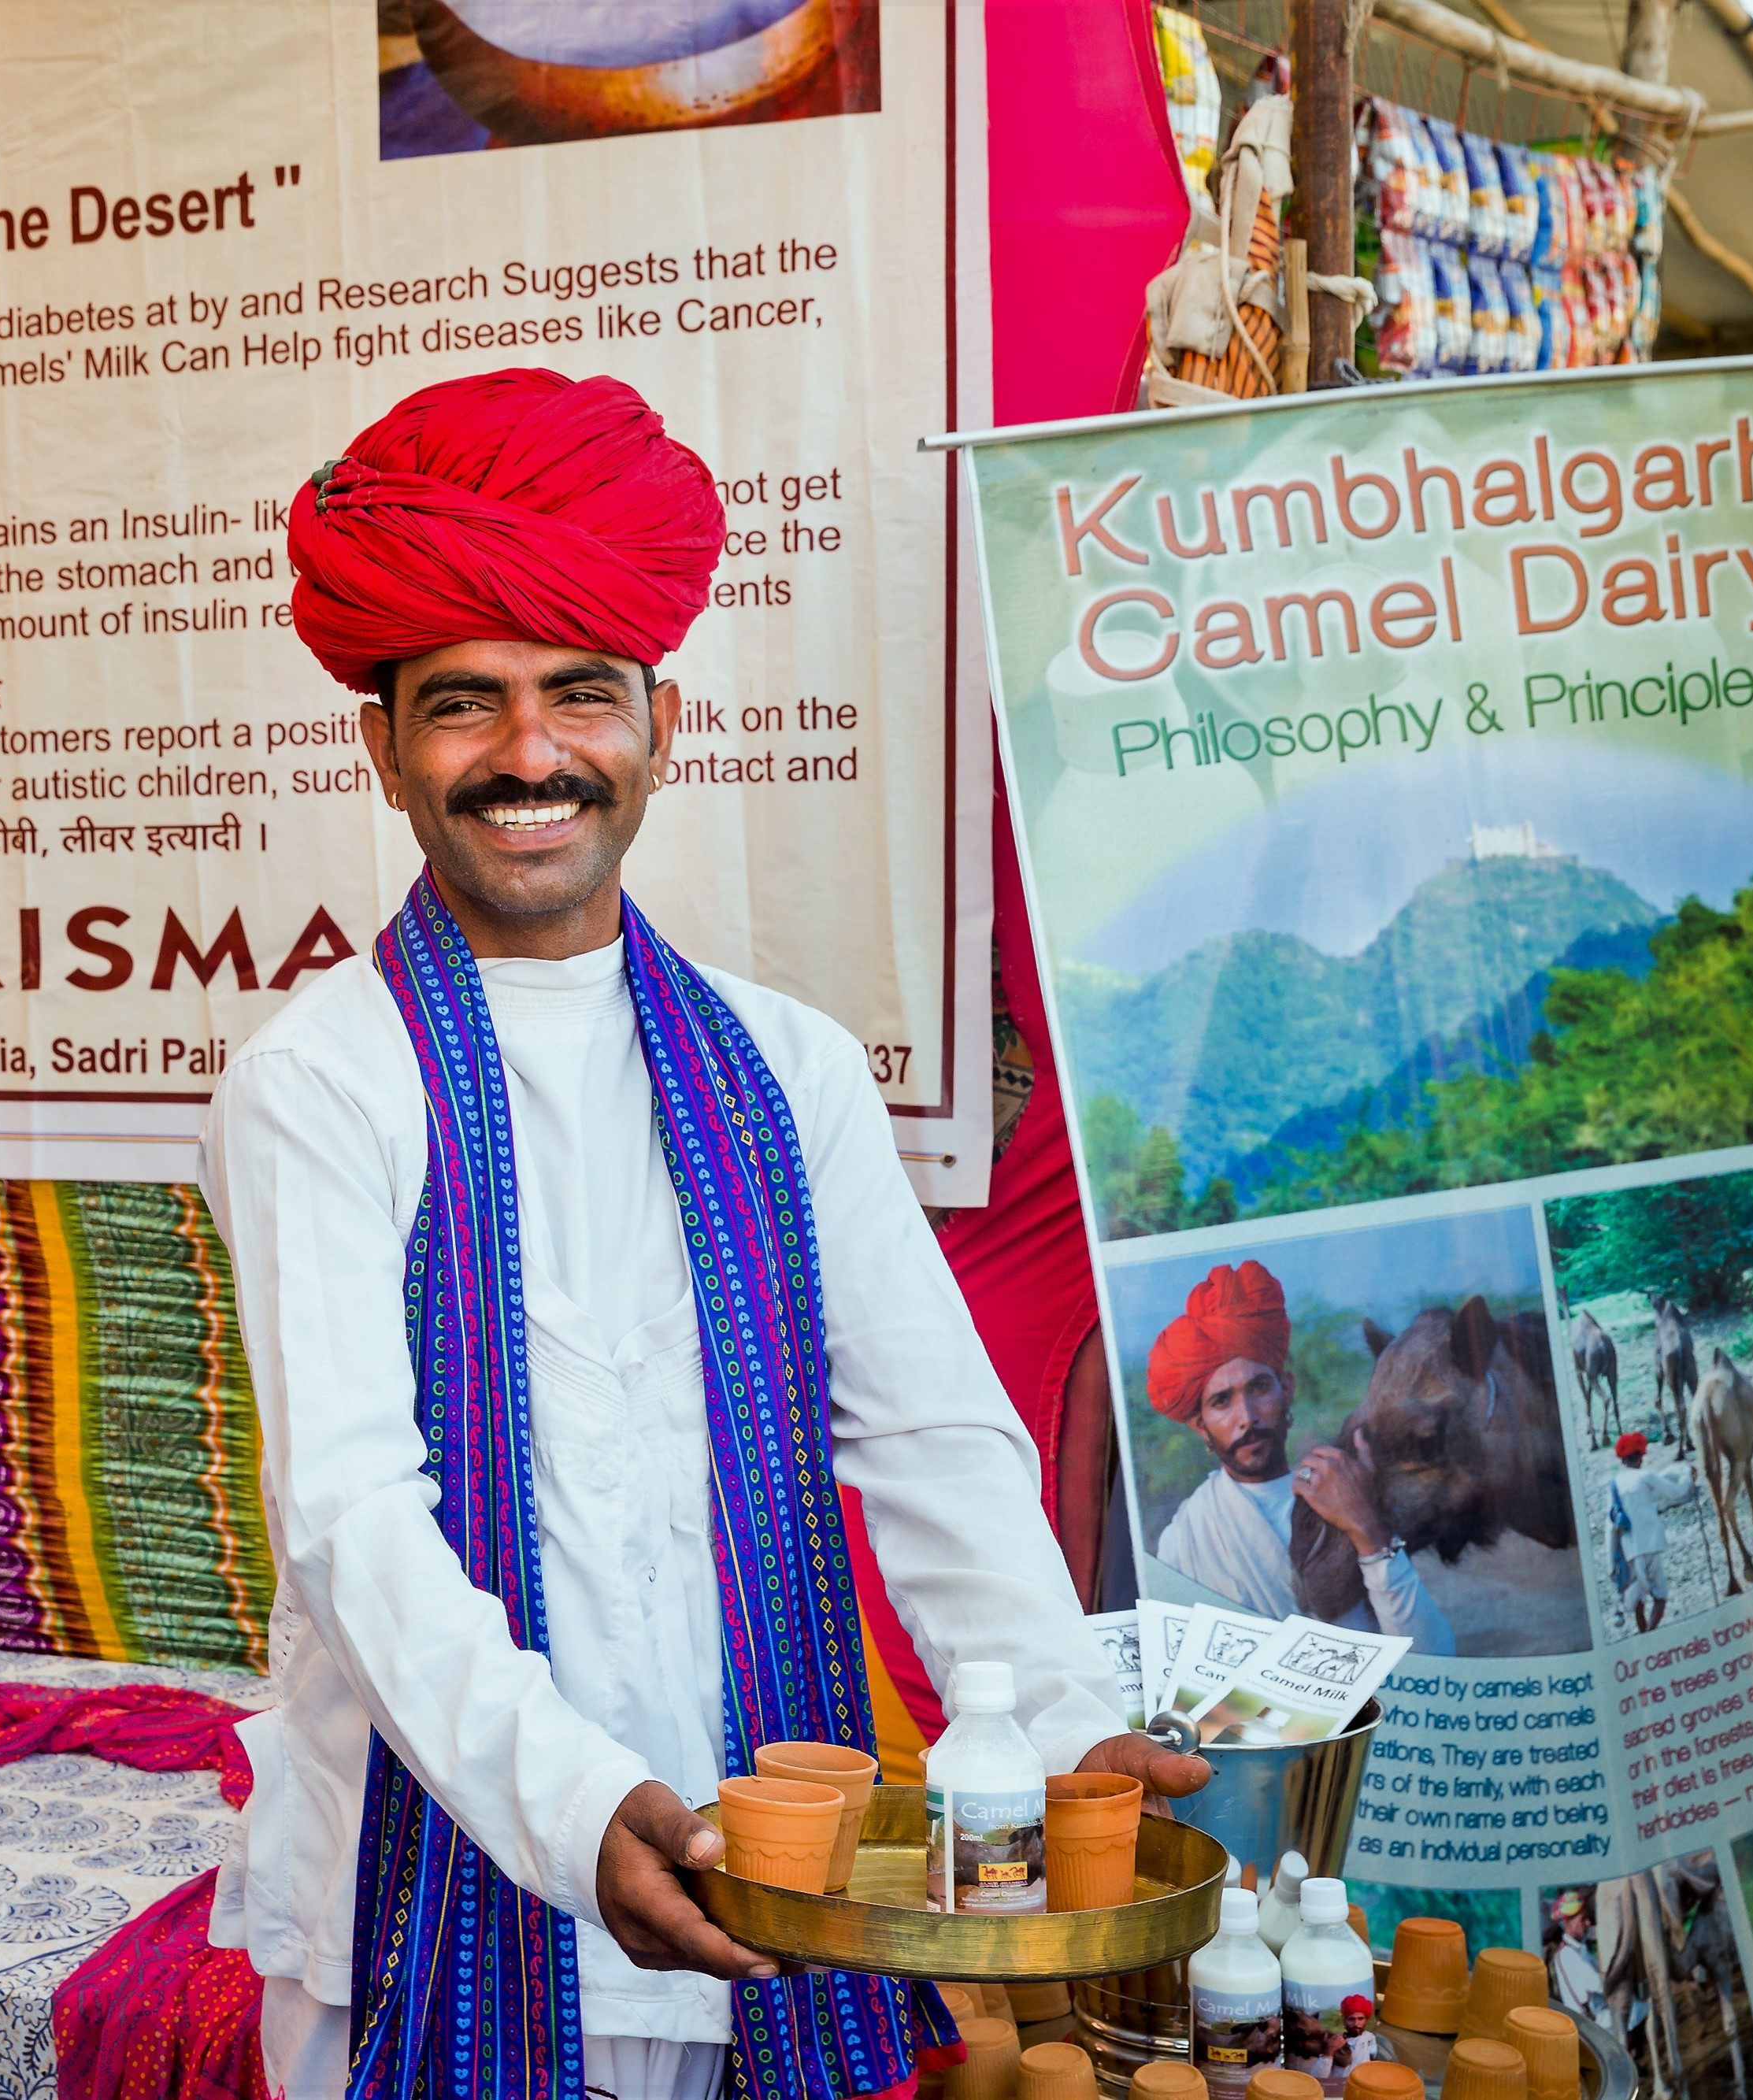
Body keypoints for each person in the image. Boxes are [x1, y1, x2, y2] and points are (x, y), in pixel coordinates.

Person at [200, 369, 1208, 2100]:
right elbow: (350, 1520)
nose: (527, 754)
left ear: (658, 724)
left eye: (576, 695)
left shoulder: (784, 1064)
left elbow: (924, 1428)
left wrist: (1052, 1720)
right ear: (380, 747)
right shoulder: (320, 1080)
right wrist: (577, 1808)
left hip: (767, 1872)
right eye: (463, 705)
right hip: (433, 1881)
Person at [1145, 1261, 1453, 1652]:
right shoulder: (1187, 1539)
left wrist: (1366, 1529)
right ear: (1200, 1425)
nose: (1248, 1418)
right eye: (1222, 1402)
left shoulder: (1348, 1483)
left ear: (1286, 1389)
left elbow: (1434, 1654)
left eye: (1259, 1389)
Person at [1607, 1433, 1669, 1634]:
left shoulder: (1614, 1485)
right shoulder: (1646, 1476)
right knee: (1660, 1595)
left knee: (1639, 1596)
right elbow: (1675, 1492)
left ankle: (1643, 1632)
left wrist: (1611, 1561)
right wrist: (1688, 1479)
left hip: (1631, 1550)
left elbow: (1611, 1525)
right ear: (1641, 1456)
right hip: (1652, 1545)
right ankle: (1651, 1631)